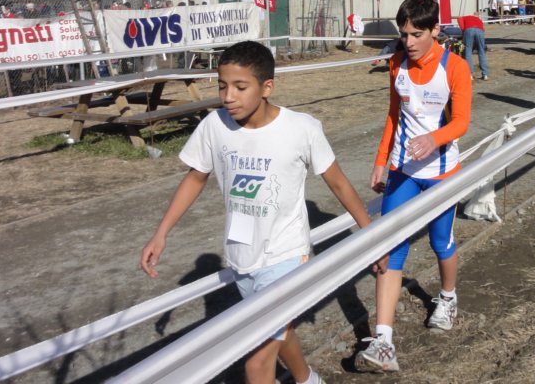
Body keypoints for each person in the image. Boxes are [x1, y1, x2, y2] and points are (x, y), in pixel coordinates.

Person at [140, 41, 384, 384]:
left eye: (240, 87)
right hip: (241, 255)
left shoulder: (301, 128)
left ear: (267, 87)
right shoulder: (214, 126)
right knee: (279, 333)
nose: (228, 97)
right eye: (222, 86)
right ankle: (308, 380)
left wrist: (371, 236)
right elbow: (195, 177)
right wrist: (161, 233)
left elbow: (339, 183)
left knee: (256, 364)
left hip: (285, 255)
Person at [356, 0, 472, 373]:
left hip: (441, 173)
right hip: (403, 172)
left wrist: (434, 139)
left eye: (416, 34)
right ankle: (383, 341)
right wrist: (380, 162)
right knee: (390, 248)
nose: (408, 42)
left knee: (441, 242)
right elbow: (393, 116)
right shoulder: (396, 64)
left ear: (435, 29)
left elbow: (462, 122)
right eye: (403, 34)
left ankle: (448, 298)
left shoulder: (455, 67)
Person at [457, 12, 488, 80]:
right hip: (480, 31)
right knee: (481, 52)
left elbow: (459, 19)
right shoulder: (479, 20)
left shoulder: (465, 17)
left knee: (468, 52)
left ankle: (470, 74)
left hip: (469, 30)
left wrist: (463, 30)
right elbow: (483, 29)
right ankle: (485, 74)